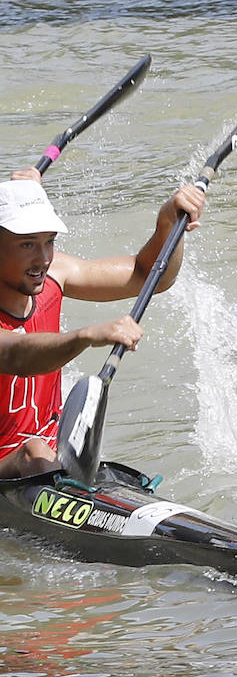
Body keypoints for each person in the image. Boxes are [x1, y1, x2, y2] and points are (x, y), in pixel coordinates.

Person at [0, 175, 206, 480]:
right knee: (35, 452)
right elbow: (15, 356)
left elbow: (150, 275)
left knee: (41, 452)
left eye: (50, 242)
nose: (42, 259)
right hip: (17, 458)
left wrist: (166, 226)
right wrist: (86, 336)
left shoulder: (56, 275)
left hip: (48, 453)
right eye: (27, 244)